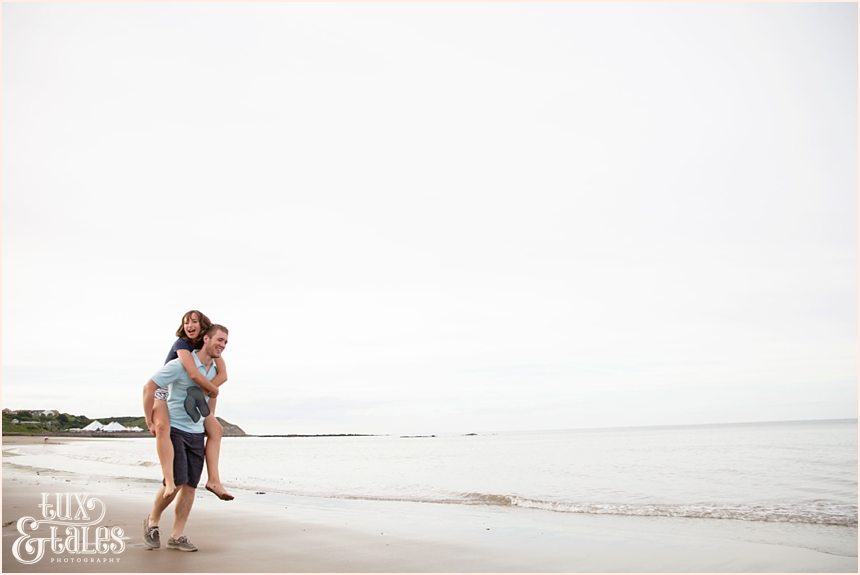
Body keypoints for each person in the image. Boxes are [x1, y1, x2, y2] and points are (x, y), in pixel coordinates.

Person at [142, 324, 229, 552]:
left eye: (225, 342)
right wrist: (149, 419)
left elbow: (210, 399)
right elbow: (149, 386)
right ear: (206, 339)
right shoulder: (181, 364)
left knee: (190, 486)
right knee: (177, 481)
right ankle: (152, 521)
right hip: (175, 430)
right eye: (219, 340)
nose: (222, 345)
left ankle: (177, 536)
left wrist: (210, 423)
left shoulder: (213, 372)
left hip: (196, 432)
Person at [157, 310, 233, 501]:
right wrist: (210, 390)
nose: (189, 326)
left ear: (203, 327)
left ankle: (214, 480)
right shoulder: (181, 344)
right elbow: (193, 374)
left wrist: (207, 395)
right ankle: (169, 480)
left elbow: (223, 375)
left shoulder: (208, 346)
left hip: (195, 395)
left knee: (216, 430)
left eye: (194, 322)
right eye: (186, 322)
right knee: (162, 427)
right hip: (164, 389)